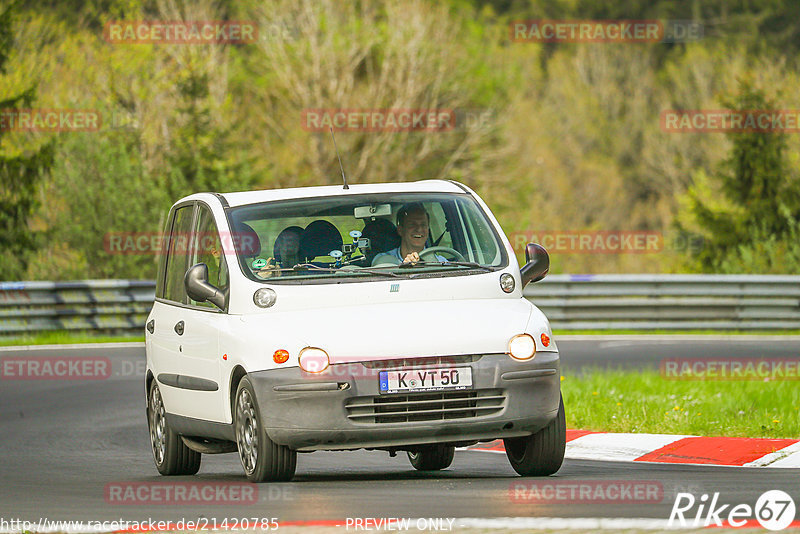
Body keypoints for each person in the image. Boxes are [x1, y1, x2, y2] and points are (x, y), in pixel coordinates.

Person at [372, 203, 447, 266]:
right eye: (412, 225)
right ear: (400, 230)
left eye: (423, 225)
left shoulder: (441, 263)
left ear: (428, 229)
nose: (419, 229)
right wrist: (404, 270)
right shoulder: (383, 261)